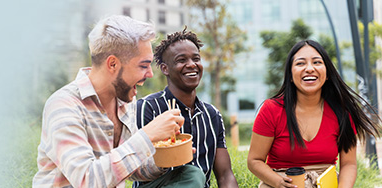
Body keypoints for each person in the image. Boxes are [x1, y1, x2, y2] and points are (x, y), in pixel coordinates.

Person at [32, 15, 205, 188]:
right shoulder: (64, 105)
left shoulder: (125, 101)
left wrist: (164, 157)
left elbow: (129, 167)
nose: (150, 74)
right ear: (113, 64)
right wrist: (147, 135)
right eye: (143, 66)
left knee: (190, 175)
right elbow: (86, 180)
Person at [247, 40, 382, 188]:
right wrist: (279, 183)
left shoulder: (342, 112)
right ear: (290, 76)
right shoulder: (271, 110)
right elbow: (254, 161)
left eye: (317, 62)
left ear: (327, 73)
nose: (309, 68)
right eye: (300, 63)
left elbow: (349, 164)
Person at [134, 28, 238, 188]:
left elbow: (225, 175)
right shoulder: (147, 108)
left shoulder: (212, 115)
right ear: (164, 69)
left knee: (195, 176)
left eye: (196, 59)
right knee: (193, 175)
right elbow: (136, 166)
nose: (191, 65)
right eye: (181, 60)